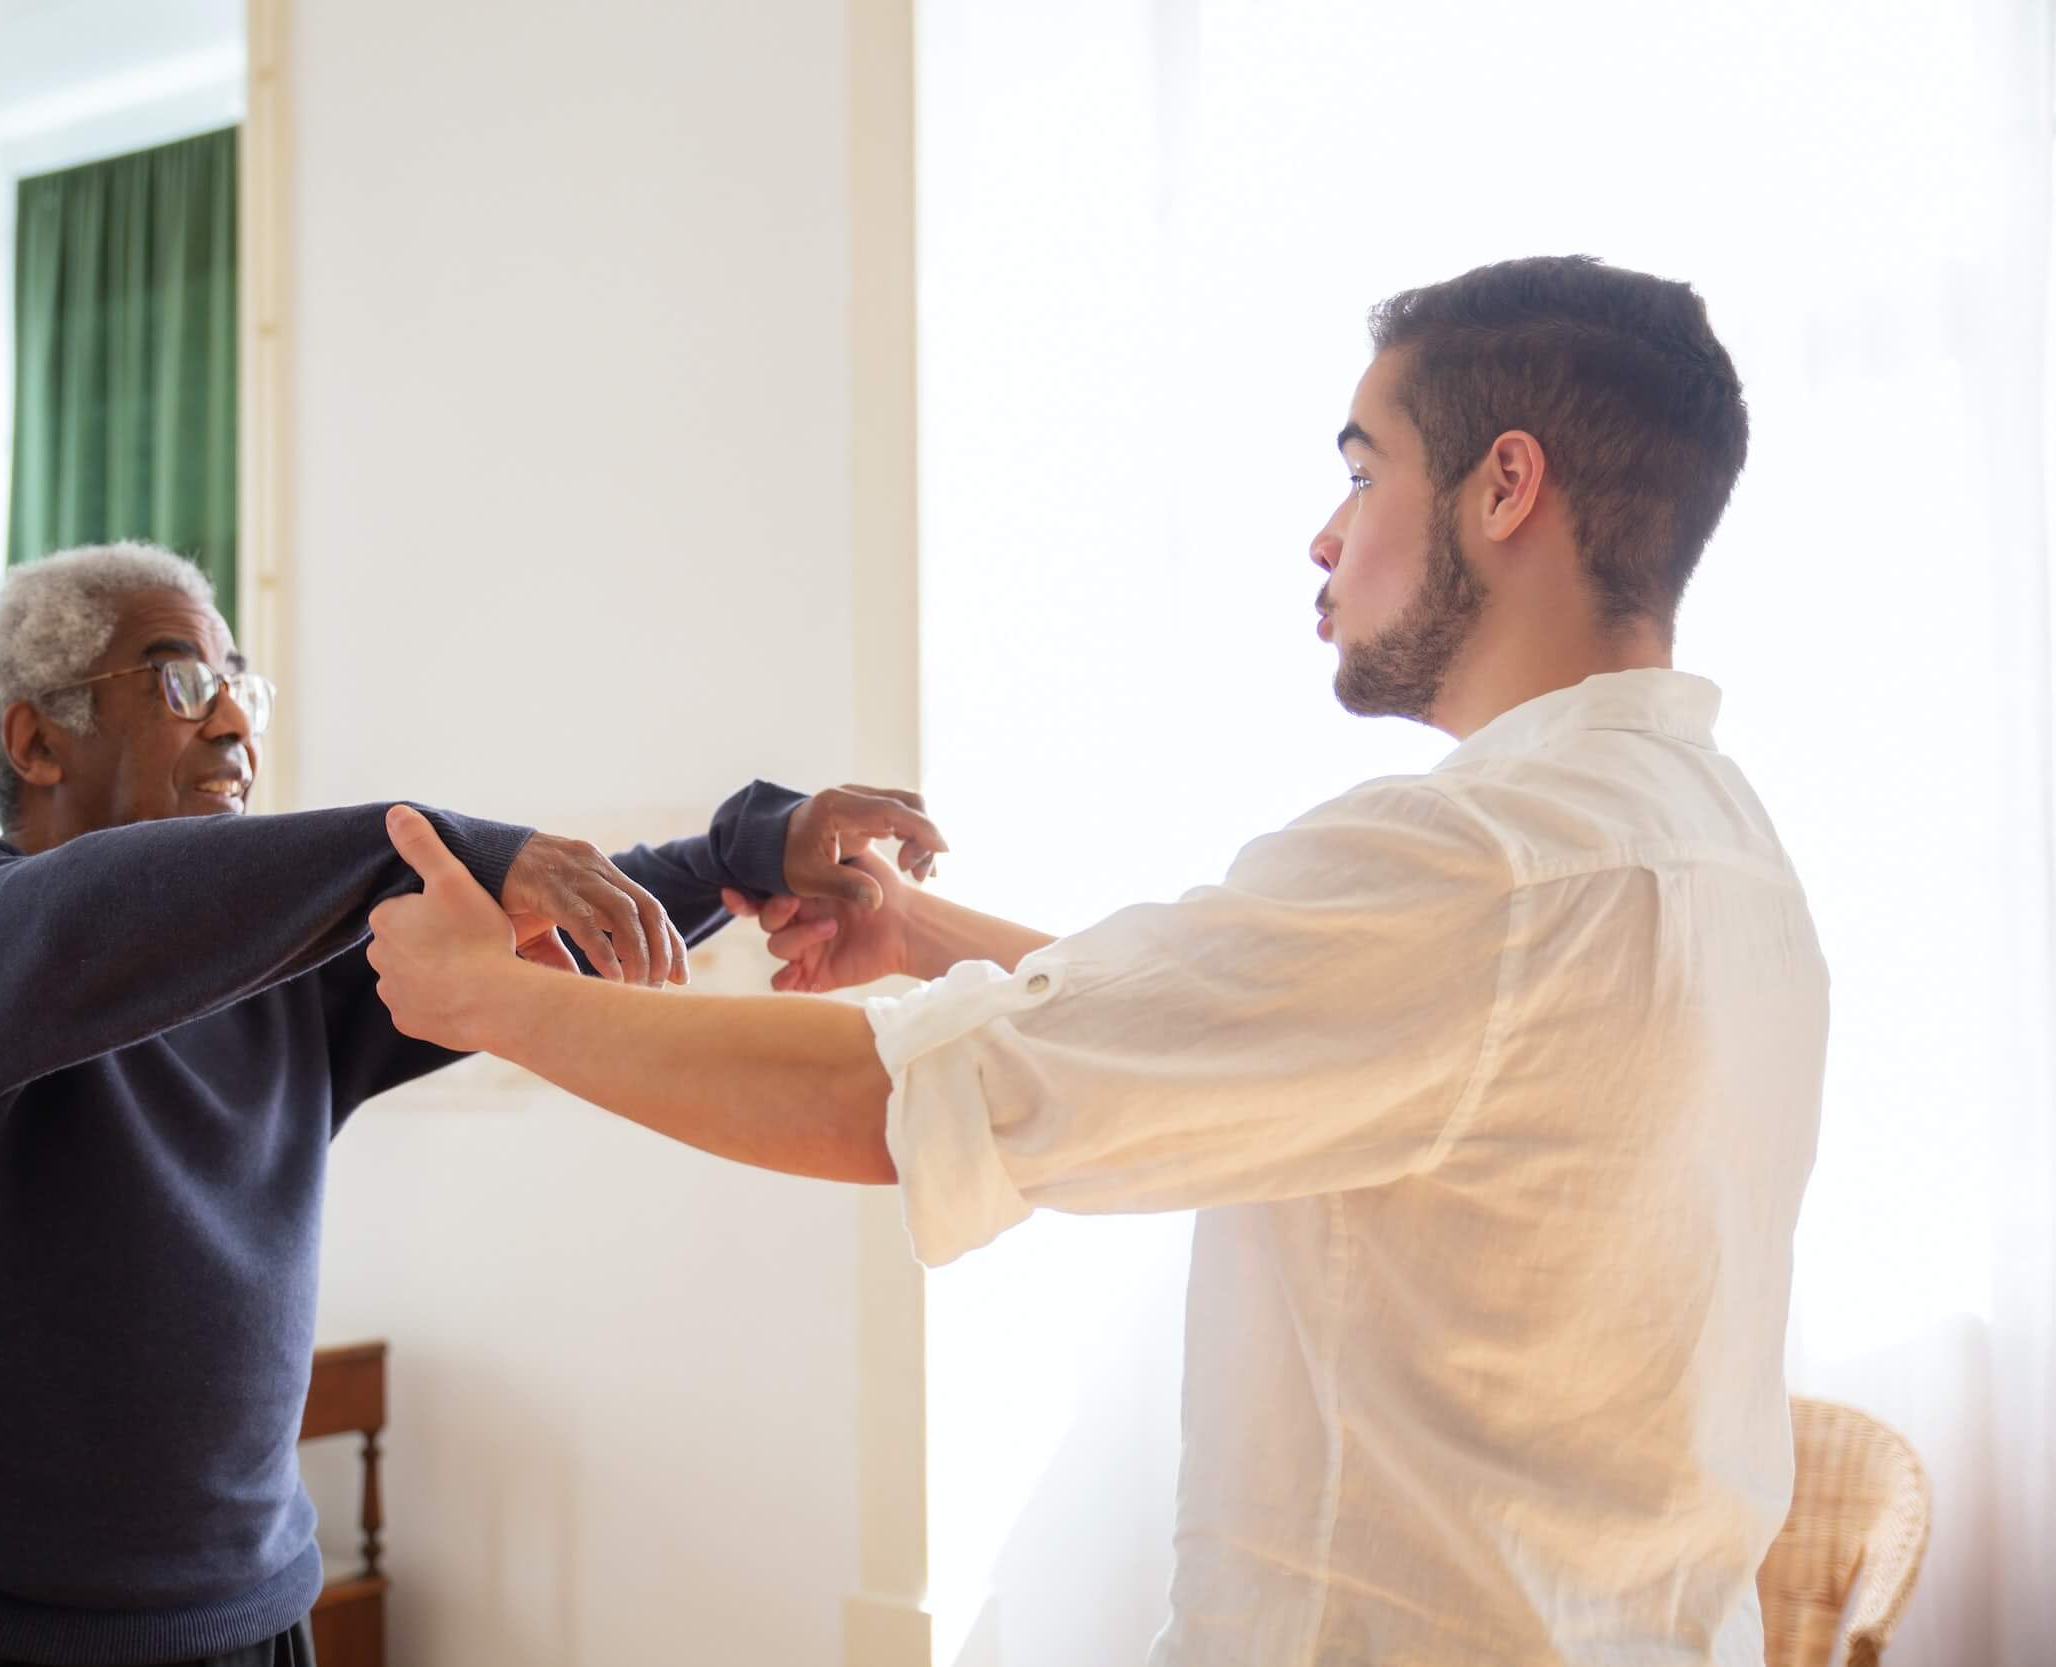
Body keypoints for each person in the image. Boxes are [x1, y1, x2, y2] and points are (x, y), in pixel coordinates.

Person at [364, 256, 1828, 1666]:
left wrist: (491, 995)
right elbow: (1271, 1026)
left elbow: (898, 1102)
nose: (1327, 533)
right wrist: (919, 928)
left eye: (1364, 469)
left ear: (1506, 485)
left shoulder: (1475, 866)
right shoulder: (1722, 849)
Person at [0, 541, 945, 1666]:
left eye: (240, 685)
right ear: (35, 739)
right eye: (179, 681)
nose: (232, 724)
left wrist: (735, 853)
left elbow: (534, 933)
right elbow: (88, 923)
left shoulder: (275, 978)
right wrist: (427, 847)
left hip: (252, 1613)